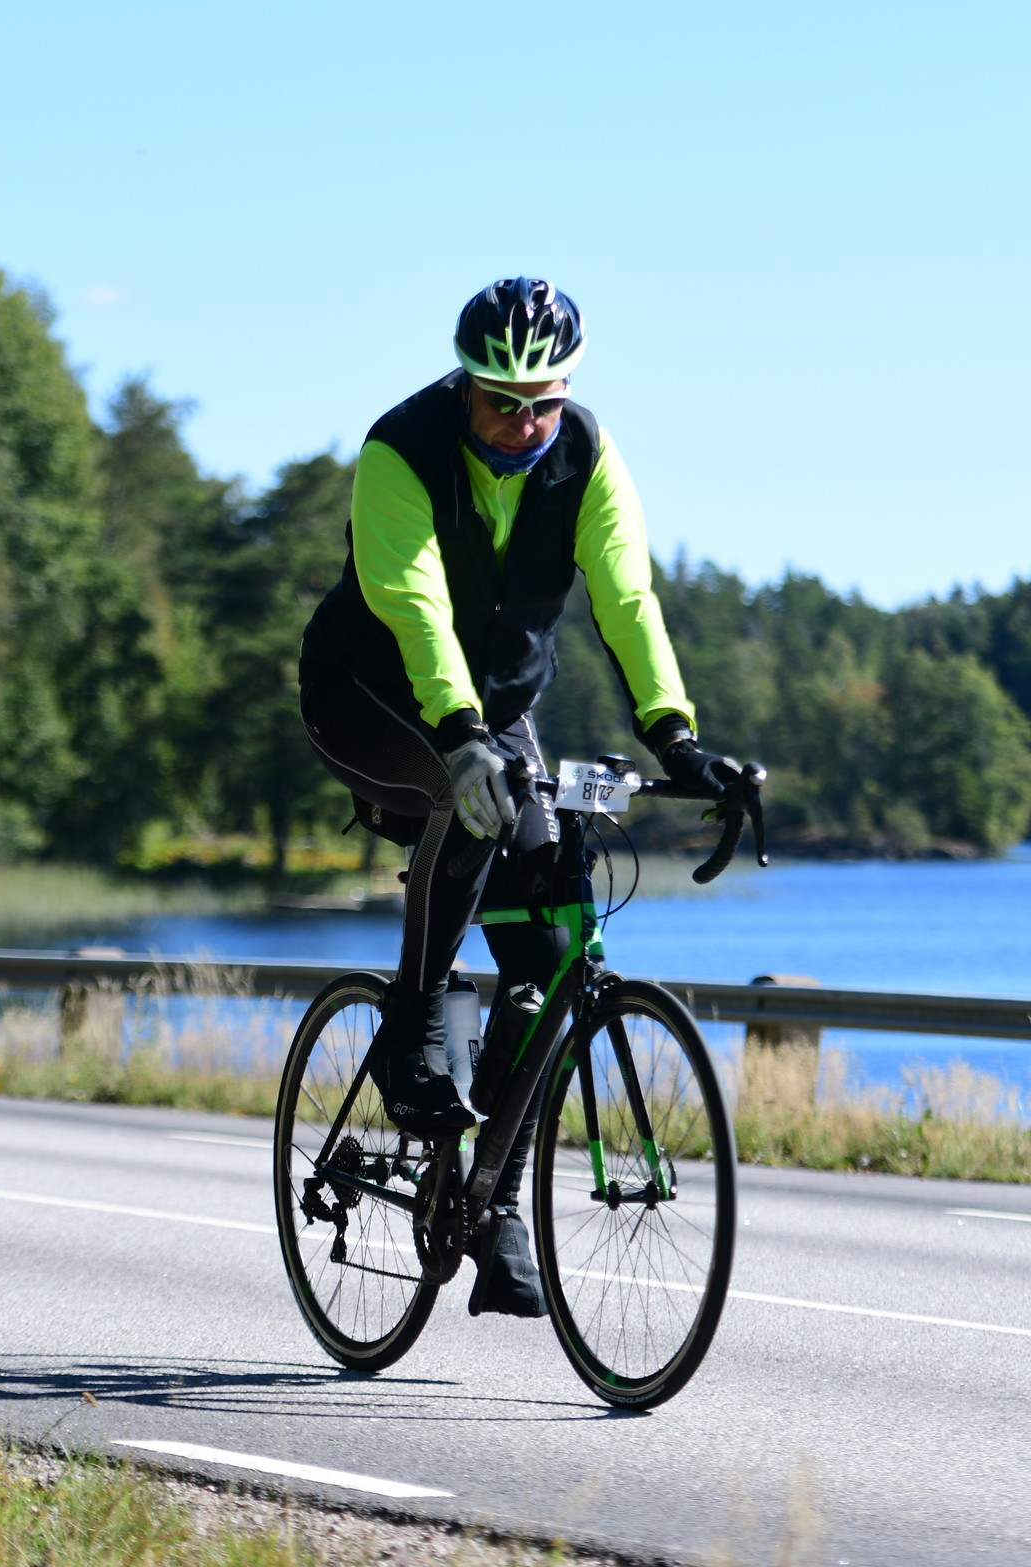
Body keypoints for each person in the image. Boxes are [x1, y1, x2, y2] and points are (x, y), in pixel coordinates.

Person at [299, 277, 737, 1318]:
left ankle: (488, 1195)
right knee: (463, 803)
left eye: (543, 401)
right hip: (369, 694)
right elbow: (413, 605)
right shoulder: (401, 448)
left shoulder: (585, 454)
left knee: (543, 949)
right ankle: (413, 1023)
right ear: (465, 385)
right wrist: (459, 741)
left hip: (494, 712)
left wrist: (674, 735)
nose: (524, 422)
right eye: (501, 401)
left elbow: (626, 594)